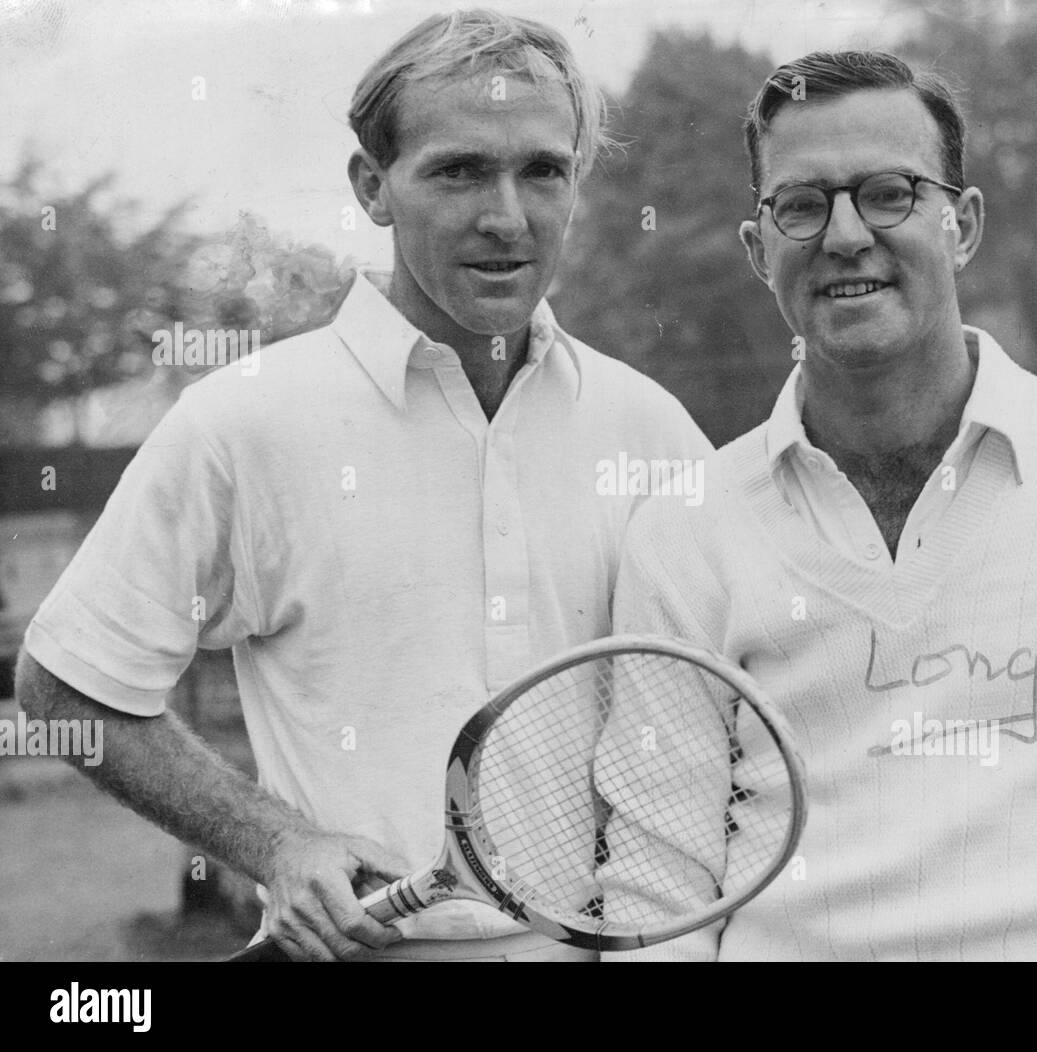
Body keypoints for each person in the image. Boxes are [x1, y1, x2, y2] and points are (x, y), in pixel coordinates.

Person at [16, 8, 710, 962]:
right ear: (372, 187)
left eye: (543, 170)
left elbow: (707, 738)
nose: (506, 216)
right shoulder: (245, 424)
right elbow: (63, 689)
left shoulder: (653, 430)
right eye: (459, 169)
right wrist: (280, 845)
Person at [604, 49, 1037, 961]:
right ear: (757, 245)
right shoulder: (684, 530)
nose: (846, 235)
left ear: (962, 224)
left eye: (889, 192)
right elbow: (657, 899)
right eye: (802, 205)